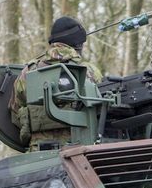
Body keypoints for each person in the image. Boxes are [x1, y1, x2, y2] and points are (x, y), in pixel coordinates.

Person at [10, 16, 102, 150]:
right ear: (78, 44)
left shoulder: (27, 73)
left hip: (38, 155)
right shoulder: (89, 72)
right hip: (80, 151)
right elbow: (101, 111)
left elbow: (15, 113)